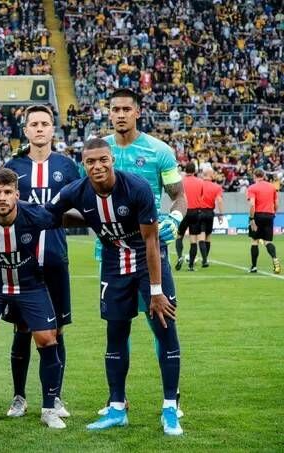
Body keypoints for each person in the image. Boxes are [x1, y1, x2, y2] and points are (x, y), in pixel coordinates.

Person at [46, 138, 182, 436]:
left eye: (102, 160)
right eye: (90, 161)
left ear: (112, 161)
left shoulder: (136, 187)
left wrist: (156, 292)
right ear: (83, 165)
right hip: (113, 263)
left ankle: (171, 408)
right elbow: (47, 215)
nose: (97, 166)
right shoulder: (75, 191)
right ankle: (117, 408)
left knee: (165, 328)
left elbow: (151, 240)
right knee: (116, 334)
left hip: (147, 260)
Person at [98, 88, 187, 416]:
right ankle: (116, 400)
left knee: (161, 324)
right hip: (111, 253)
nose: (120, 114)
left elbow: (179, 196)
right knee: (117, 328)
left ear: (138, 112)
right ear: (109, 113)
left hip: (150, 251)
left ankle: (172, 399)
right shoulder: (99, 151)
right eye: (115, 109)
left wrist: (174, 219)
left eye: (126, 109)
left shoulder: (159, 151)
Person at [0, 168, 66, 429]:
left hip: (30, 285)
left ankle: (49, 408)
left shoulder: (35, 214)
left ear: (17, 194)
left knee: (48, 339)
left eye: (8, 192)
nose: (2, 197)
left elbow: (61, 217)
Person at [3, 105, 79, 418]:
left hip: (56, 259)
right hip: (21, 262)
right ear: (26, 130)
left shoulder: (67, 166)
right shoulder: (13, 166)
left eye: (44, 124)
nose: (39, 129)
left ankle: (55, 397)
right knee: (22, 328)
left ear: (52, 129)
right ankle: (19, 397)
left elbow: (79, 206)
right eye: (33, 124)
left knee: (56, 330)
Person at [247, 168, 280, 274]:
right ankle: (275, 258)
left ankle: (254, 266)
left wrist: (251, 218)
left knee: (254, 241)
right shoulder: (272, 187)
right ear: (264, 176)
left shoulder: (252, 188)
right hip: (269, 215)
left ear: (254, 176)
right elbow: (276, 203)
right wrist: (274, 213)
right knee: (268, 241)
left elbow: (252, 204)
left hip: (258, 215)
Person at [174, 162, 203, 271]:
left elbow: (176, 195)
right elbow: (201, 195)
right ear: (194, 171)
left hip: (183, 211)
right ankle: (191, 266)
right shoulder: (200, 182)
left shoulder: (180, 181)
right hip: (195, 212)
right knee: (193, 239)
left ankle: (179, 256)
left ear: (185, 170)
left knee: (179, 236)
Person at [196, 168, 224, 267]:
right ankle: (205, 259)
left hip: (199, 212)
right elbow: (219, 200)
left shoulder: (198, 185)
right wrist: (220, 214)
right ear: (210, 175)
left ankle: (204, 260)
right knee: (208, 236)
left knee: (201, 236)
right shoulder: (217, 187)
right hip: (210, 213)